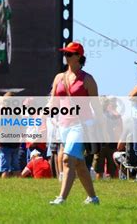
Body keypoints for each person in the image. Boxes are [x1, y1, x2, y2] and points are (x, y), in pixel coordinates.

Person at [49, 42, 100, 205]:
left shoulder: (88, 79)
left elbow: (96, 107)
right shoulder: (59, 77)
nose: (66, 56)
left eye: (70, 54)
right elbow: (53, 102)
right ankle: (93, 198)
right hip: (63, 125)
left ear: (79, 56)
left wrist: (99, 129)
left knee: (67, 159)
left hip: (81, 125)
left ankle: (61, 198)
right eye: (65, 54)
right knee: (79, 164)